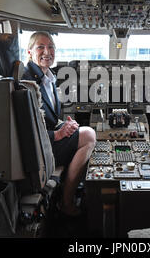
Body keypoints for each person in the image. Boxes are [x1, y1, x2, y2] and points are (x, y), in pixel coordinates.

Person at [22, 31, 96, 216]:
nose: (47, 51)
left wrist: (63, 124)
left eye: (51, 47)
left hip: (46, 141)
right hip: (37, 149)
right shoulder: (25, 81)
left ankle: (82, 191)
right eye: (40, 47)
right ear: (29, 52)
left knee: (80, 129)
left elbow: (48, 118)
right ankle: (66, 202)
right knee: (89, 135)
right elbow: (22, 127)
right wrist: (57, 134)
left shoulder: (49, 77)